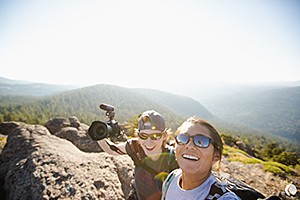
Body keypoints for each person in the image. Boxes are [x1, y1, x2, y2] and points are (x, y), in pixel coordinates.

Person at [97, 110, 178, 200]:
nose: (149, 142)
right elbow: (111, 150)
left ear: (164, 136)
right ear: (138, 135)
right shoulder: (135, 147)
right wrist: (99, 136)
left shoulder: (173, 158)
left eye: (155, 136)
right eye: (143, 135)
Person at [162, 116, 240, 200]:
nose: (189, 146)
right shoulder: (171, 178)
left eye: (201, 141)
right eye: (183, 138)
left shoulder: (224, 198)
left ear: (216, 156)